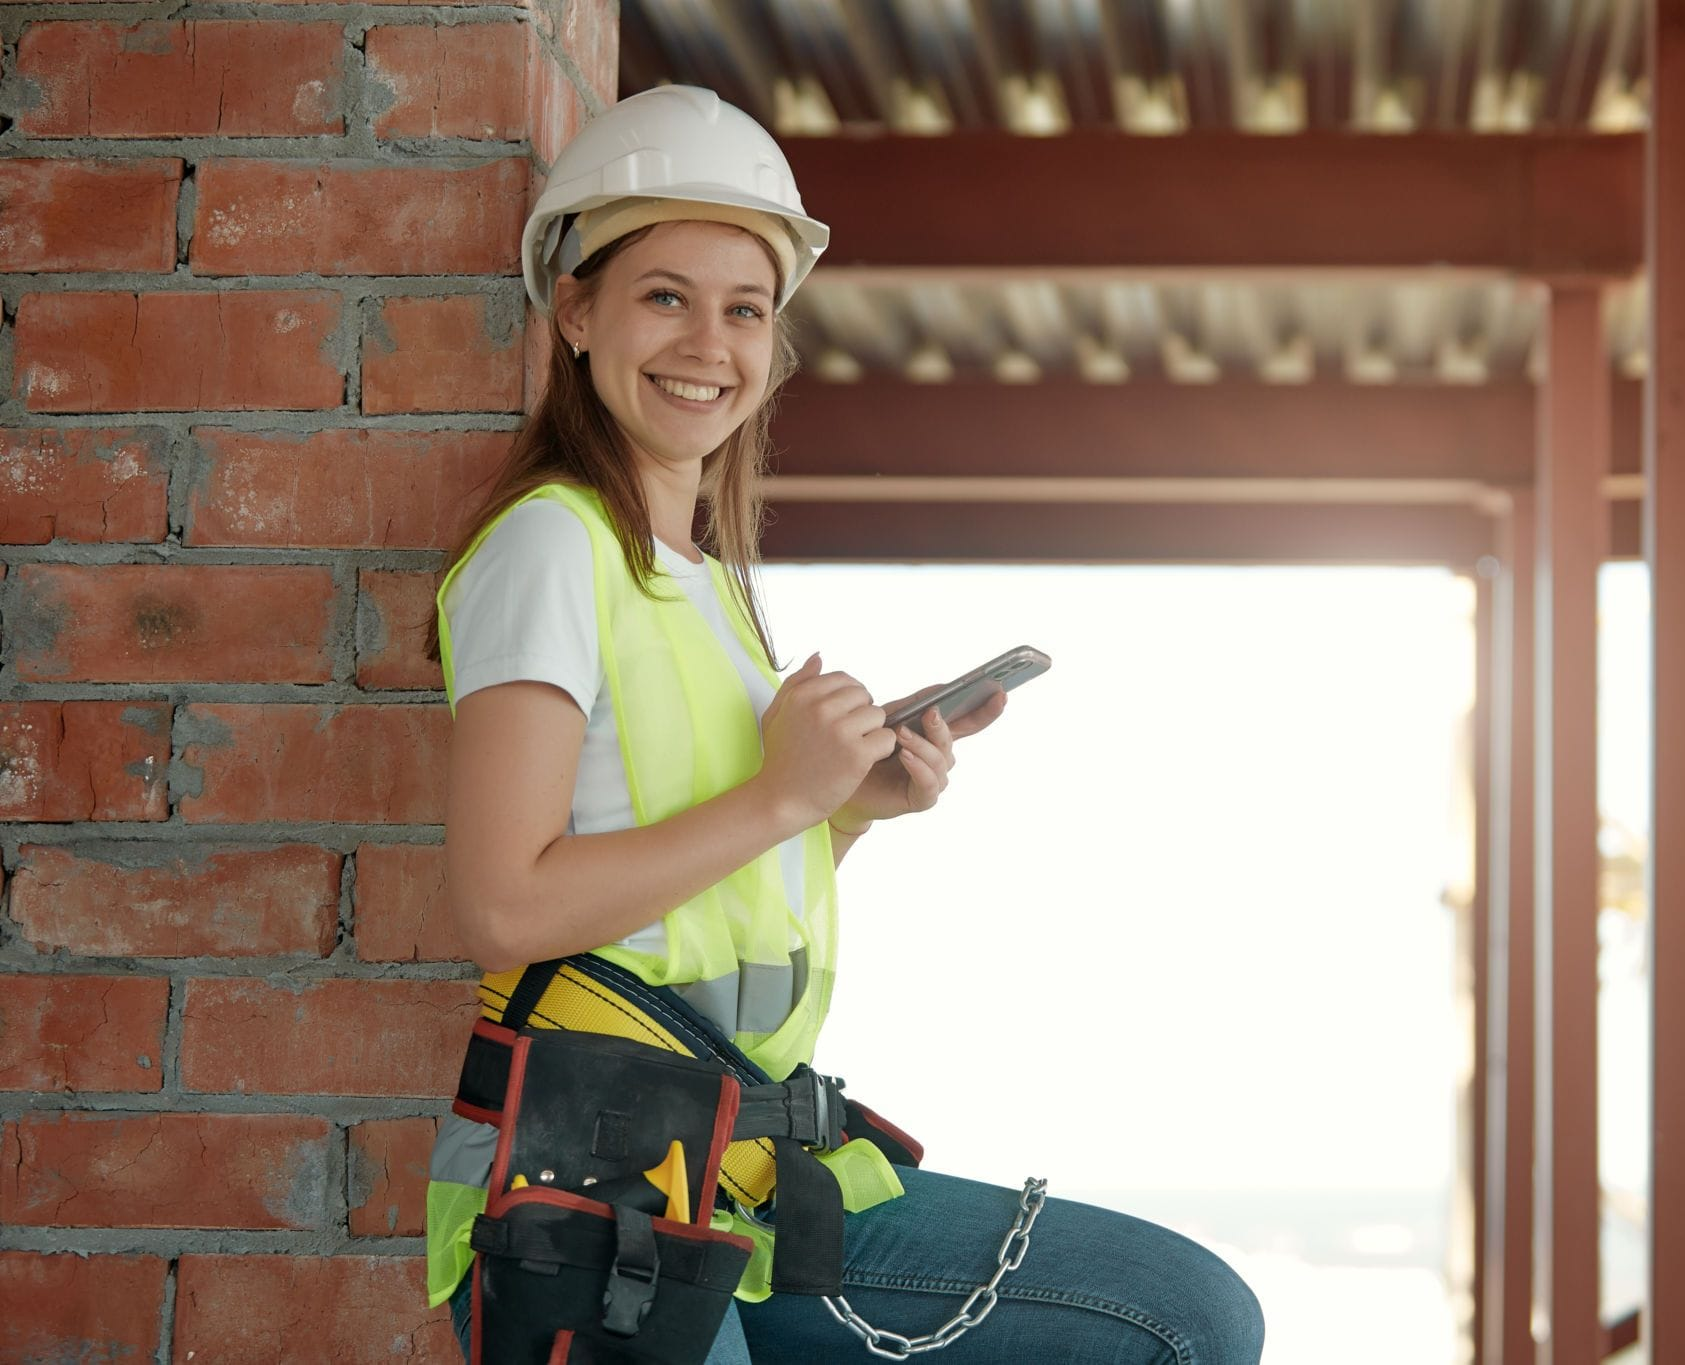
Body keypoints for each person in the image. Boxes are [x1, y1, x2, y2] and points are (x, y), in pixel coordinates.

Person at [423, 83, 1265, 1364]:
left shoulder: (703, 586)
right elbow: (504, 906)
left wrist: (842, 814)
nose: (709, 342)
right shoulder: (550, 545)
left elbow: (695, 906)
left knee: (1188, 1314)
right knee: (1172, 1323)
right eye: (664, 295)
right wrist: (781, 797)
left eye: (745, 309)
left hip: (753, 1172)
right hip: (607, 1193)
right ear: (576, 308)